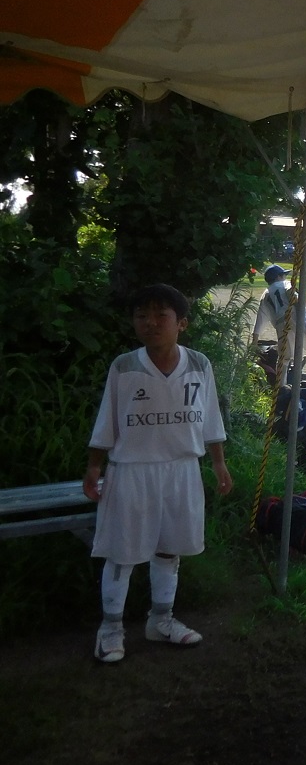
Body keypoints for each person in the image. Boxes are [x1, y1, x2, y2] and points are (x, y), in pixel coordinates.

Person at [82, 284, 233, 663]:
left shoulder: (199, 364)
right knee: (123, 552)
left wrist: (218, 462)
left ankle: (160, 619)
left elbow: (210, 417)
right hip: (132, 471)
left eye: (160, 316)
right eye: (142, 316)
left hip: (182, 470)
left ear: (181, 323)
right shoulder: (125, 366)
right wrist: (94, 467)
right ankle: (111, 629)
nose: (150, 323)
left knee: (169, 548)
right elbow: (107, 422)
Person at [250, 265, 306, 374]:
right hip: (296, 312)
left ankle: (282, 385)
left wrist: (254, 342)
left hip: (281, 323)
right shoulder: (285, 283)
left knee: (284, 359)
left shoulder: (265, 295)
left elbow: (259, 321)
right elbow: (293, 294)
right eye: (283, 275)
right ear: (278, 276)